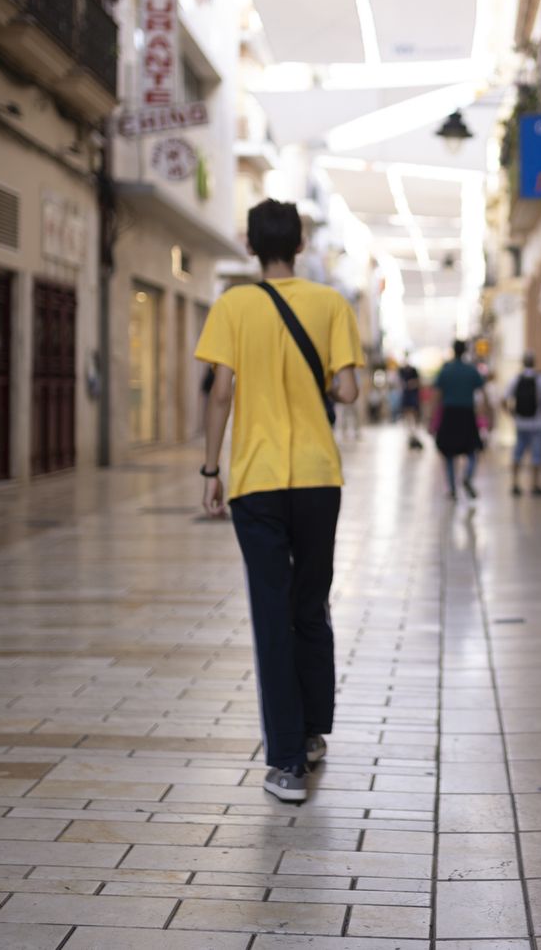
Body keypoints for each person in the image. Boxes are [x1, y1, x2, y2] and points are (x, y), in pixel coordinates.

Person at [196, 199, 363, 805]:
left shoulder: (233, 305)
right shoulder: (331, 304)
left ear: (250, 245)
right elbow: (346, 390)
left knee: (272, 614)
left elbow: (221, 393)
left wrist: (211, 468)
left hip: (256, 481)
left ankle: (287, 763)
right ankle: (314, 732)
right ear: (300, 244)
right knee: (311, 605)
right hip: (319, 479)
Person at [434, 340, 487, 500]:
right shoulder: (471, 370)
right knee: (472, 450)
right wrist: (487, 415)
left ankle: (452, 488)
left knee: (449, 452)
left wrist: (432, 418)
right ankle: (467, 476)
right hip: (466, 414)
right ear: (464, 351)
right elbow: (482, 394)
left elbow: (436, 396)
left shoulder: (446, 370)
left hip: (449, 414)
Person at [505, 353, 541, 497]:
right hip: (537, 424)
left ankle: (515, 484)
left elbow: (504, 400)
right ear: (534, 362)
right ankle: (535, 485)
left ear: (523, 363)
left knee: (517, 454)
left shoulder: (515, 379)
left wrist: (513, 415)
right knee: (537, 455)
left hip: (521, 423)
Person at [398, 358, 424, 449]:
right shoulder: (401, 370)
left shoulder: (414, 370)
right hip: (406, 395)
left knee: (414, 412)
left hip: (412, 395)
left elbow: (418, 381)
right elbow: (400, 382)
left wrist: (411, 384)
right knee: (407, 413)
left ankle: (414, 431)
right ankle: (410, 432)